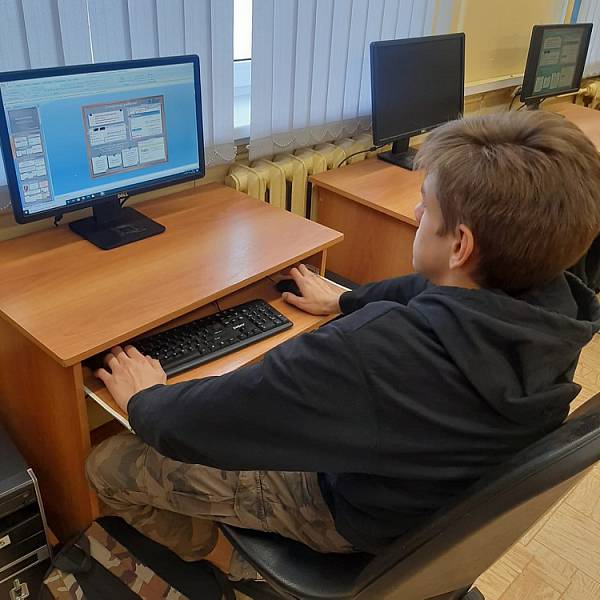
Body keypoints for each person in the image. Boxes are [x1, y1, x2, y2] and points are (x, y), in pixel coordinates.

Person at [86, 110, 600, 579]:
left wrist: (144, 398)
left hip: (346, 514)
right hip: (424, 500)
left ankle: (231, 568)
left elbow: (194, 425)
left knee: (108, 463)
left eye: (426, 206)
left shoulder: (373, 352)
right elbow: (432, 290)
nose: (416, 213)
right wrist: (345, 299)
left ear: (460, 245)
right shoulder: (557, 307)